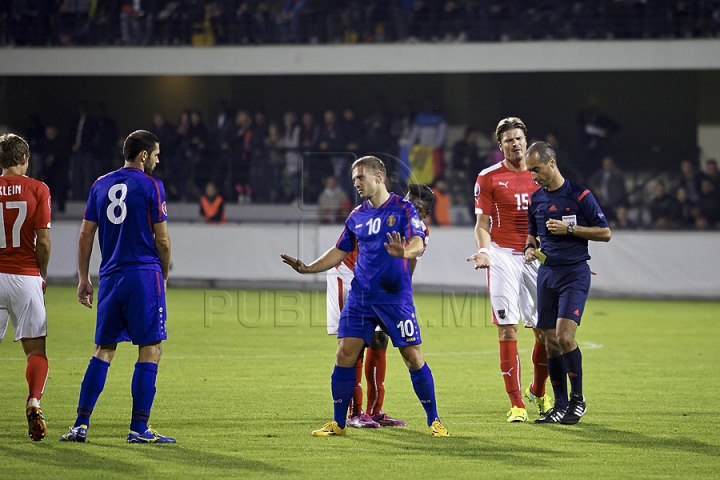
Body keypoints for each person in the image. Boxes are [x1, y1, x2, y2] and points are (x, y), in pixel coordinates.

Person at [281, 156, 448, 437]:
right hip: (361, 296)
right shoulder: (357, 216)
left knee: (412, 358)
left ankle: (434, 421)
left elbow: (418, 242)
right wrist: (308, 268)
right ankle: (339, 423)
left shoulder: (404, 209)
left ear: (379, 177)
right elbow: (340, 250)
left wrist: (404, 252)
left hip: (394, 298)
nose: (356, 183)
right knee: (344, 353)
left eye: (361, 178)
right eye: (354, 179)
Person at [60, 130, 174, 444]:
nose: (157, 159)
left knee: (103, 349)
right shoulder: (152, 185)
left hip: (110, 277)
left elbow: (85, 236)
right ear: (143, 156)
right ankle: (139, 428)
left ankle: (80, 424)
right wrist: (162, 276)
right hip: (142, 274)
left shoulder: (100, 184)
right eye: (155, 154)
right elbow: (162, 241)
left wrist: (84, 278)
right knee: (151, 348)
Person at [325, 183, 435, 429]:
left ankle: (374, 411)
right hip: (348, 275)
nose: (411, 209)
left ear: (426, 214)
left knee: (379, 340)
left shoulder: (420, 233)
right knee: (355, 346)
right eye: (409, 202)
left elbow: (406, 268)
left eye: (419, 208)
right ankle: (354, 413)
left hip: (380, 290)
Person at [465, 117, 552, 423]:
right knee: (508, 327)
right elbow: (482, 224)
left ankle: (538, 390)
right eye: (509, 140)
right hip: (501, 255)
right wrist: (485, 251)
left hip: (535, 256)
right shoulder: (488, 177)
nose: (515, 144)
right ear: (499, 146)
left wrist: (570, 255)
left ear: (526, 142)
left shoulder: (541, 173)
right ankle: (516, 403)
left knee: (546, 334)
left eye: (519, 139)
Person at [524, 141, 611, 425]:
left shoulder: (580, 195)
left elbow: (605, 232)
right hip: (547, 274)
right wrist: (529, 248)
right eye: (529, 171)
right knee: (549, 341)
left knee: (564, 337)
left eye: (536, 169)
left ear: (551, 162)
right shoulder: (535, 200)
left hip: (574, 274)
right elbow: (532, 236)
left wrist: (570, 228)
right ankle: (559, 405)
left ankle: (578, 400)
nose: (533, 175)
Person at [0, 133, 52, 441]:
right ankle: (33, 400)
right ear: (23, 159)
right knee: (35, 350)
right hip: (25, 276)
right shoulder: (37, 189)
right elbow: (43, 242)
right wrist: (42, 272)